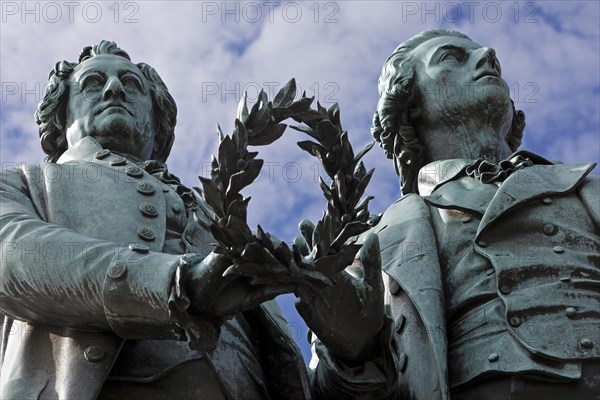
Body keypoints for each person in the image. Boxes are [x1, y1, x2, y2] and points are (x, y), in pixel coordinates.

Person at [0, 41, 396, 399]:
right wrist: (174, 284)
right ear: (59, 117)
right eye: (92, 83)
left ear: (157, 121)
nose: (114, 89)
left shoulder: (222, 224)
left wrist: (350, 353)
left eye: (132, 84)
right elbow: (13, 254)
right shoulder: (25, 185)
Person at [369, 29, 599, 399]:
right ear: (408, 102)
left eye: (489, 56)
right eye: (451, 57)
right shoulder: (378, 240)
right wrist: (345, 350)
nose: (489, 54)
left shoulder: (584, 186)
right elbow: (335, 387)